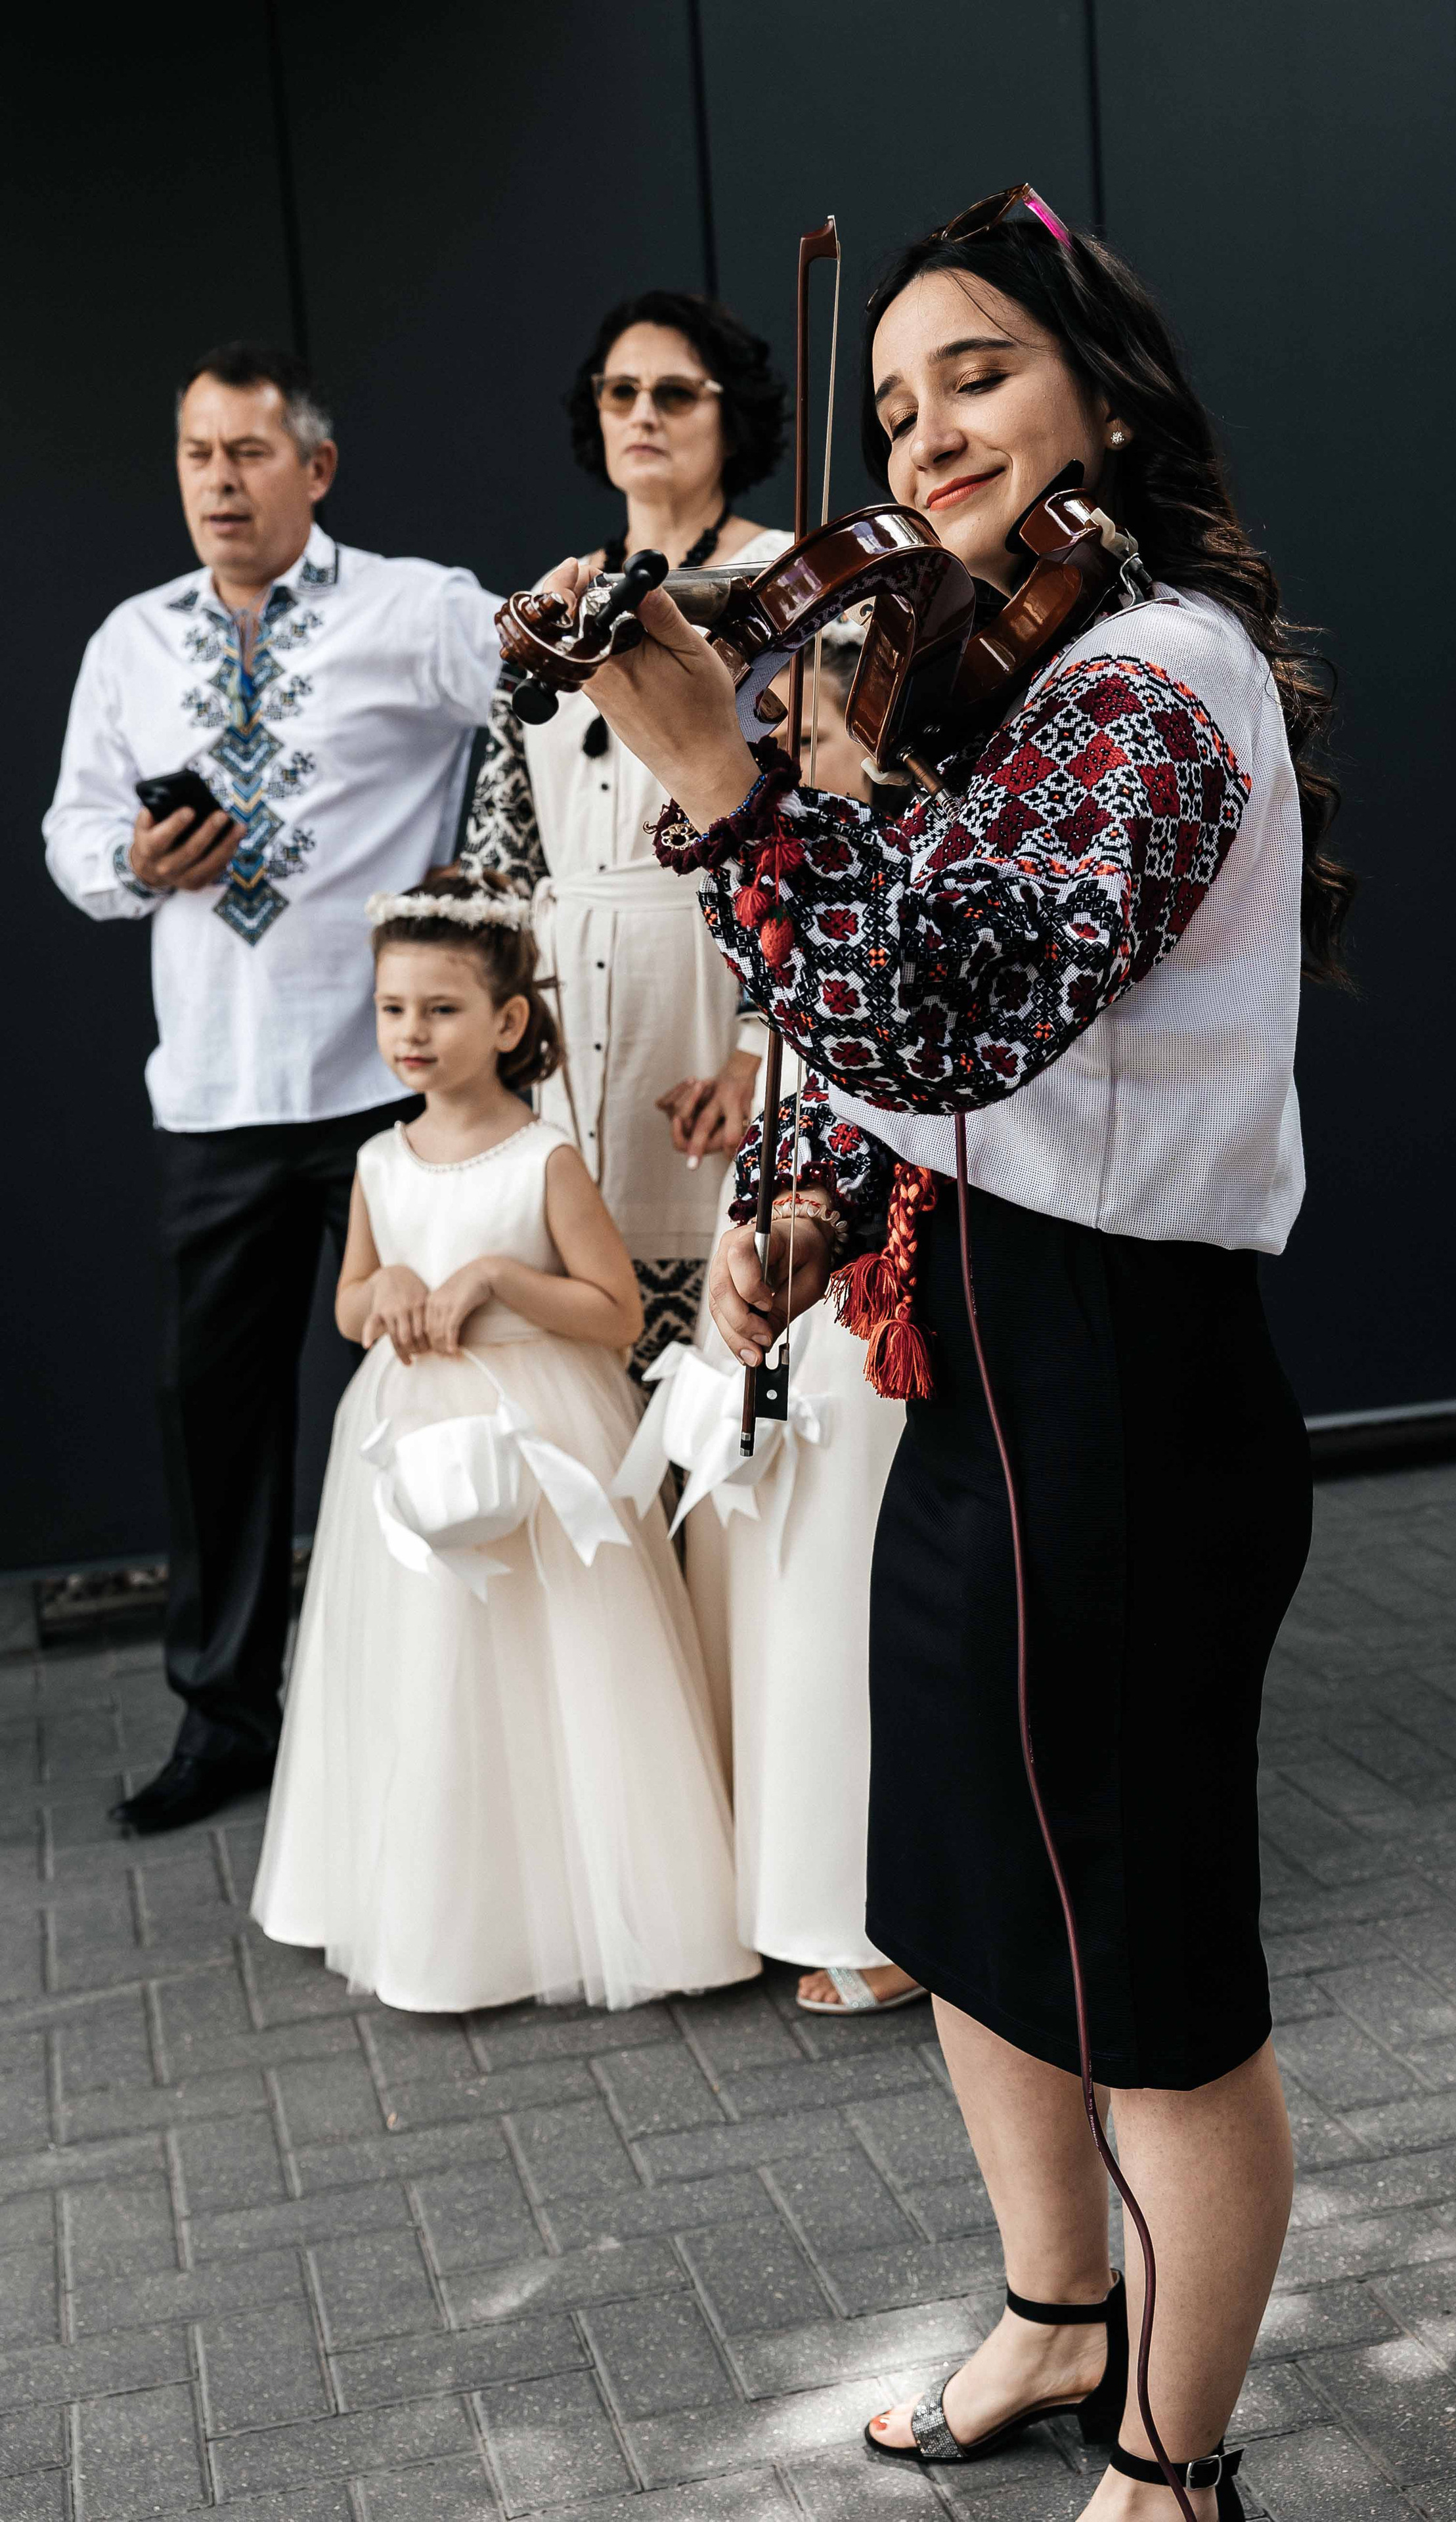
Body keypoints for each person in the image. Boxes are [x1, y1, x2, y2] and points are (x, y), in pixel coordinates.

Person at [556, 185, 1352, 2520]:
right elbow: (955, 1071)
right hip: (992, 1371)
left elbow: (954, 997)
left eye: (977, 370)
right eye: (893, 402)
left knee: (1156, 1986)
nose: (927, 430)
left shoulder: (1161, 681)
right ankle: (1049, 2316)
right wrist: (818, 1209)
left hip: (1126, 1396)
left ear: (1103, 382)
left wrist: (726, 785)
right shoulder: (1022, 684)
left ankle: (1172, 2466)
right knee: (975, 1909)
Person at [45, 344, 504, 1836]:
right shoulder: (131, 641)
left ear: (315, 468)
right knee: (216, 1421)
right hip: (219, 1095)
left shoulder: (412, 610)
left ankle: (463, 1712)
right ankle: (229, 1719)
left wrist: (490, 869)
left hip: (399, 1085)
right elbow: (69, 832)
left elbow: (552, 695)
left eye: (248, 454)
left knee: (444, 1398)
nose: (219, 483)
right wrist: (133, 864)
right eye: (196, 455)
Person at [250, 869, 757, 2013]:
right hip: (406, 1440)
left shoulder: (545, 1160)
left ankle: (584, 1900)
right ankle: (444, 1909)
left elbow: (616, 1314)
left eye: (440, 1010)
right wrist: (388, 1301)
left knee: (555, 1668)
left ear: (509, 1021)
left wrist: (494, 1279)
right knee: (429, 1668)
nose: (411, 1034)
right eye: (393, 1010)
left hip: (537, 1433)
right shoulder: (380, 1161)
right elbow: (349, 1305)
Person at [656, 632, 923, 2014]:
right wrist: (767, 1212)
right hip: (809, 1246)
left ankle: (871, 1908)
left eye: (804, 741)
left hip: (901, 1284)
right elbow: (801, 1091)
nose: (773, 770)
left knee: (844, 1590)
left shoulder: (911, 896)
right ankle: (802, 1877)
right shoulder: (800, 897)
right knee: (773, 1573)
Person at [461, 290, 789, 1372]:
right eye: (621, 392)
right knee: (595, 1342)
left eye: (674, 393)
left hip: (717, 976)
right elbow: (502, 856)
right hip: (568, 1006)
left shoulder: (785, 583)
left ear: (729, 417)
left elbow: (827, 831)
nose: (642, 412)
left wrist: (757, 1053)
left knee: (725, 1336)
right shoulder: (554, 601)